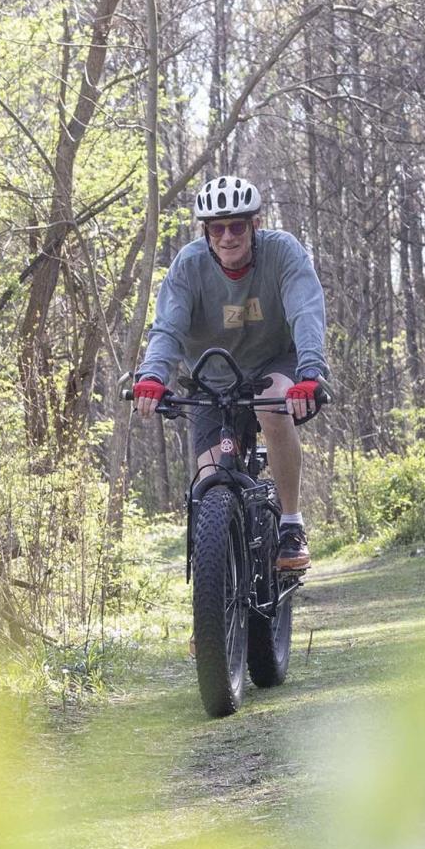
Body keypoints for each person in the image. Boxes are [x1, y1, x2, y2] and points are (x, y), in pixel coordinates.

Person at [131, 174, 328, 571]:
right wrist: (152, 377)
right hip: (211, 380)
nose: (227, 237)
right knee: (208, 482)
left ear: (255, 225)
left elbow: (305, 311)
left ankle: (291, 525)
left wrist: (311, 372)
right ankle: (219, 597)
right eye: (216, 229)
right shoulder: (189, 266)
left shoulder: (282, 252)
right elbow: (167, 328)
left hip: (275, 363)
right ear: (205, 232)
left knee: (270, 405)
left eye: (237, 226)